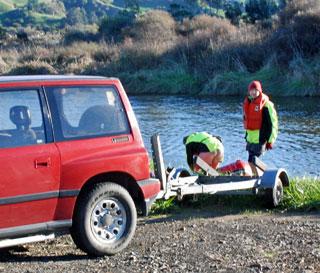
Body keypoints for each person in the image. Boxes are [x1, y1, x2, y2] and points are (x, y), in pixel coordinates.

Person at [243, 80, 278, 162]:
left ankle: (261, 174)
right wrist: (246, 137)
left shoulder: (267, 105)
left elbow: (273, 124)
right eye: (251, 90)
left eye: (255, 90)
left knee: (254, 162)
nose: (253, 92)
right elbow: (248, 122)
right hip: (250, 140)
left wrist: (270, 141)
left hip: (260, 139)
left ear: (259, 91)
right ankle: (255, 175)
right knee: (250, 161)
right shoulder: (248, 103)